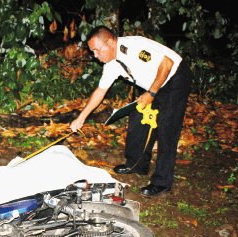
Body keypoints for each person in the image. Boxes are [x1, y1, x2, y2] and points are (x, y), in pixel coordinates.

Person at [70, 26, 191, 197]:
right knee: (138, 117)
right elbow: (100, 91)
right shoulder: (112, 64)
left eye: (97, 50)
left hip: (174, 78)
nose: (95, 56)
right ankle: (137, 164)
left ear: (110, 42)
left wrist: (151, 93)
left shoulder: (135, 48)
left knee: (167, 127)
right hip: (155, 84)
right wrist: (81, 118)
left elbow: (167, 63)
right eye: (93, 52)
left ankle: (162, 183)